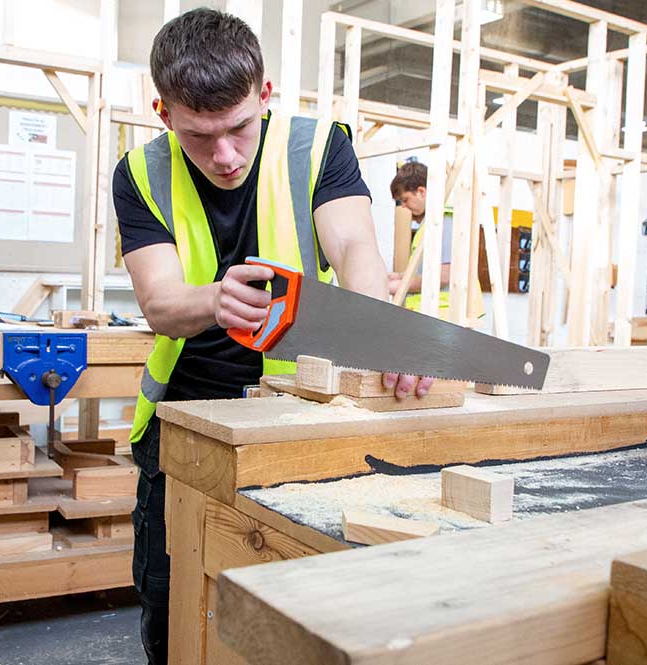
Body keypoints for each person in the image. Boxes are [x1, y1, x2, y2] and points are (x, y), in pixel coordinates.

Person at [113, 9, 431, 663]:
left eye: (238, 129)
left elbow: (354, 247)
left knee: (300, 619)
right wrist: (212, 297)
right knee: (174, 613)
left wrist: (386, 333)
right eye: (201, 137)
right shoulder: (139, 172)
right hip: (183, 424)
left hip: (299, 416)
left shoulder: (319, 146)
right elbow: (159, 301)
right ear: (163, 112)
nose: (225, 156)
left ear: (265, 95)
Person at [386, 161, 452, 310]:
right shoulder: (429, 225)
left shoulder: (445, 222)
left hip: (445, 316)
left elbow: (443, 277)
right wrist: (401, 276)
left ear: (421, 192)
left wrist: (397, 286)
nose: (403, 206)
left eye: (405, 199)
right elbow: (429, 271)